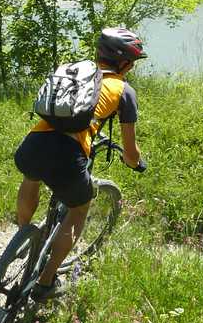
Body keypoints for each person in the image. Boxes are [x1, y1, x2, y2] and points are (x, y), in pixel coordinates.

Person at [13, 27, 147, 300]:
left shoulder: (75, 71)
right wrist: (134, 163)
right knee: (78, 210)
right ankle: (45, 283)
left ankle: (22, 237)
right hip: (67, 155)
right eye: (132, 62)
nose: (132, 67)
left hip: (33, 144)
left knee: (32, 177)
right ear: (124, 62)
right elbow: (131, 151)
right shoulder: (123, 90)